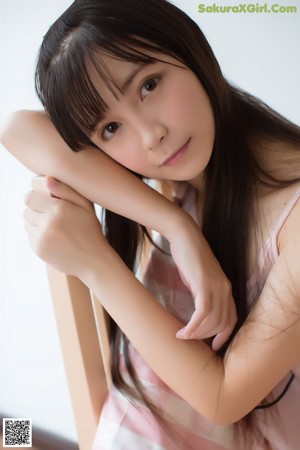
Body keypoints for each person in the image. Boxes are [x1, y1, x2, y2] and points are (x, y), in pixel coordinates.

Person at [1, 0, 300, 448]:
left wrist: (96, 264)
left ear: (189, 48)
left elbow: (222, 398)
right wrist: (176, 225)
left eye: (149, 84)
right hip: (113, 432)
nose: (149, 135)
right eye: (109, 129)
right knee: (9, 432)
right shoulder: (181, 188)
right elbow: (17, 129)